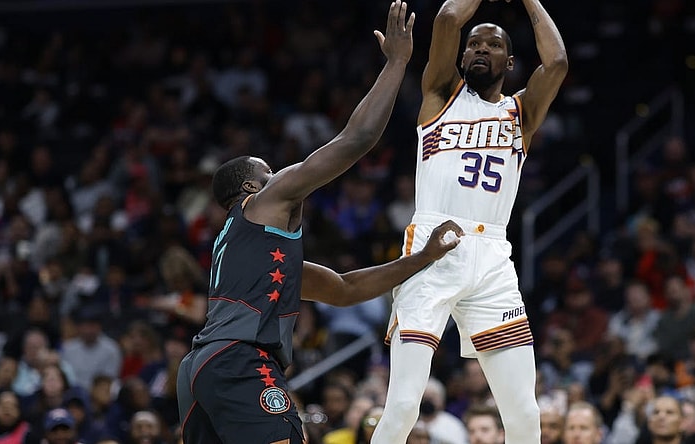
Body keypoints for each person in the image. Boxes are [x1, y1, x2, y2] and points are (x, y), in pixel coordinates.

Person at [175, 4, 461, 443]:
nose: (284, 177)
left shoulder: (243, 250)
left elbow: (344, 289)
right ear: (252, 187)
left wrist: (422, 258)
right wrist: (398, 63)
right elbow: (356, 140)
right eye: (270, 172)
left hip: (199, 370)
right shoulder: (264, 204)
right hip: (240, 359)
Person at [372, 0, 567, 441]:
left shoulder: (522, 115)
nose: (480, 48)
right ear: (461, 57)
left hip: (493, 260)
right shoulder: (441, 94)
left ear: (510, 61)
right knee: (403, 405)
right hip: (431, 249)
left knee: (524, 412)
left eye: (493, 44)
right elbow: (446, 18)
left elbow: (556, 61)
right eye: (474, 44)